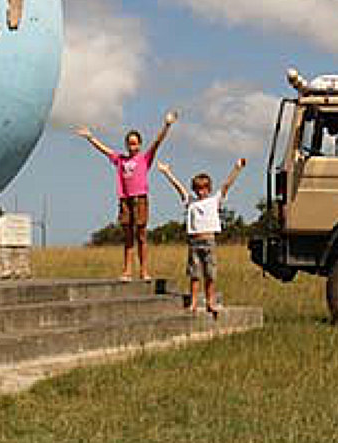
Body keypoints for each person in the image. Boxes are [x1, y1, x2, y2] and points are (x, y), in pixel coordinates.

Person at [74, 111, 177, 280]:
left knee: (141, 236)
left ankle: (144, 270)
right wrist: (90, 138)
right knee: (128, 237)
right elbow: (106, 151)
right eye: (129, 144)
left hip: (140, 199)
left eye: (135, 144)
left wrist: (167, 125)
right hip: (125, 200)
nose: (132, 147)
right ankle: (127, 270)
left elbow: (157, 142)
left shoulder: (144, 159)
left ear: (140, 145)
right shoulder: (121, 160)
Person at [157, 157, 245, 316]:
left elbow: (226, 185)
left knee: (210, 274)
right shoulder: (191, 202)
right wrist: (167, 172)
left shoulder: (214, 200)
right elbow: (179, 188)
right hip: (194, 243)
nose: (201, 191)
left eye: (204, 188)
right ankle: (194, 303)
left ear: (209, 189)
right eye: (198, 188)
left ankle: (210, 302)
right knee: (195, 275)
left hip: (209, 242)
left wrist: (237, 168)